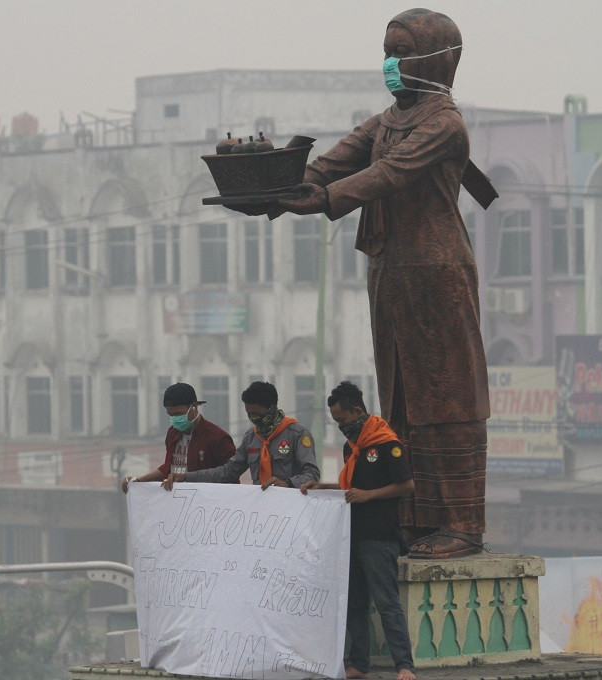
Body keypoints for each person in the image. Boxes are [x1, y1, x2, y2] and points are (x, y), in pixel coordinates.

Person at [251, 8, 491, 558]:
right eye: (386, 51)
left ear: (437, 60)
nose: (390, 63)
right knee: (402, 395)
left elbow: (387, 174)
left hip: (437, 273)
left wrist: (325, 200)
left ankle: (460, 522)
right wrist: (283, 187)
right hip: (388, 268)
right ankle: (414, 515)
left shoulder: (443, 123)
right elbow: (335, 162)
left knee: (446, 397)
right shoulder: (384, 121)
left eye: (401, 52)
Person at [301, 380, 415, 680]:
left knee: (387, 603)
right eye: (336, 421)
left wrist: (368, 494)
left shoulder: (387, 443)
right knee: (355, 602)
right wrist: (323, 487)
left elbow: (406, 485)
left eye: (343, 419)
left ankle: (404, 665)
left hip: (380, 536)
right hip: (351, 534)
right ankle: (359, 663)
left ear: (357, 410)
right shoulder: (352, 446)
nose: (341, 426)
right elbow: (348, 488)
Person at [164, 381, 320, 489]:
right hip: (262, 508)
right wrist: (186, 476)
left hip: (291, 506)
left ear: (272, 408)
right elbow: (228, 471)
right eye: (249, 413)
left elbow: (312, 474)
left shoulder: (297, 434)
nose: (253, 418)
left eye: (257, 414)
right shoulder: (251, 437)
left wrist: (288, 483)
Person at [122, 382, 236, 493]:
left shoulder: (217, 437)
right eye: (170, 415)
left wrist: (187, 477)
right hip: (176, 502)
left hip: (204, 502)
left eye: (178, 414)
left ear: (194, 407)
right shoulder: (173, 433)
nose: (174, 419)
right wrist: (139, 480)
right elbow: (168, 468)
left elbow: (230, 475)